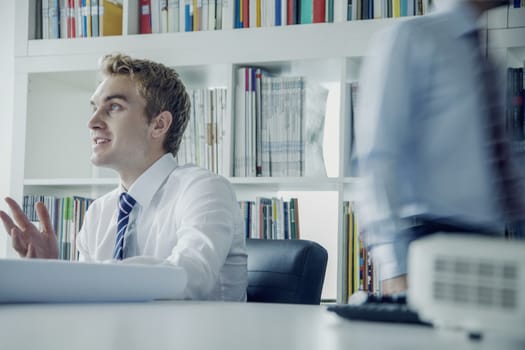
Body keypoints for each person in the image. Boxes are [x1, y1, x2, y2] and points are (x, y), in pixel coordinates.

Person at [0, 53, 248, 301]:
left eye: (114, 107)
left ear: (159, 125)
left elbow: (190, 277)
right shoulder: (99, 212)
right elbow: (90, 305)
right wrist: (51, 274)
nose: (92, 122)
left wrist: (77, 277)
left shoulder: (203, 189)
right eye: (94, 108)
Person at [354, 0, 521, 295]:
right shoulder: (411, 38)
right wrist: (397, 266)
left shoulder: (486, 58)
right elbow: (378, 159)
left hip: (491, 247)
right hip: (432, 246)